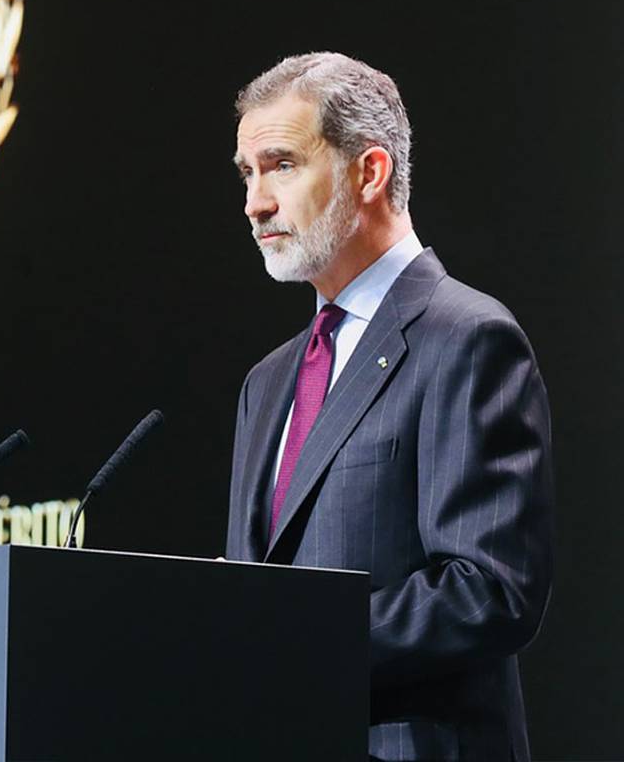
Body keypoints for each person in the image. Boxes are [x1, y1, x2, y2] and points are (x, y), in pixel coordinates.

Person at [225, 52, 553, 762]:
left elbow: (490, 590)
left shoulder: (466, 338)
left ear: (368, 173)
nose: (255, 201)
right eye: (247, 173)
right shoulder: (268, 381)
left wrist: (297, 648)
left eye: (281, 164)